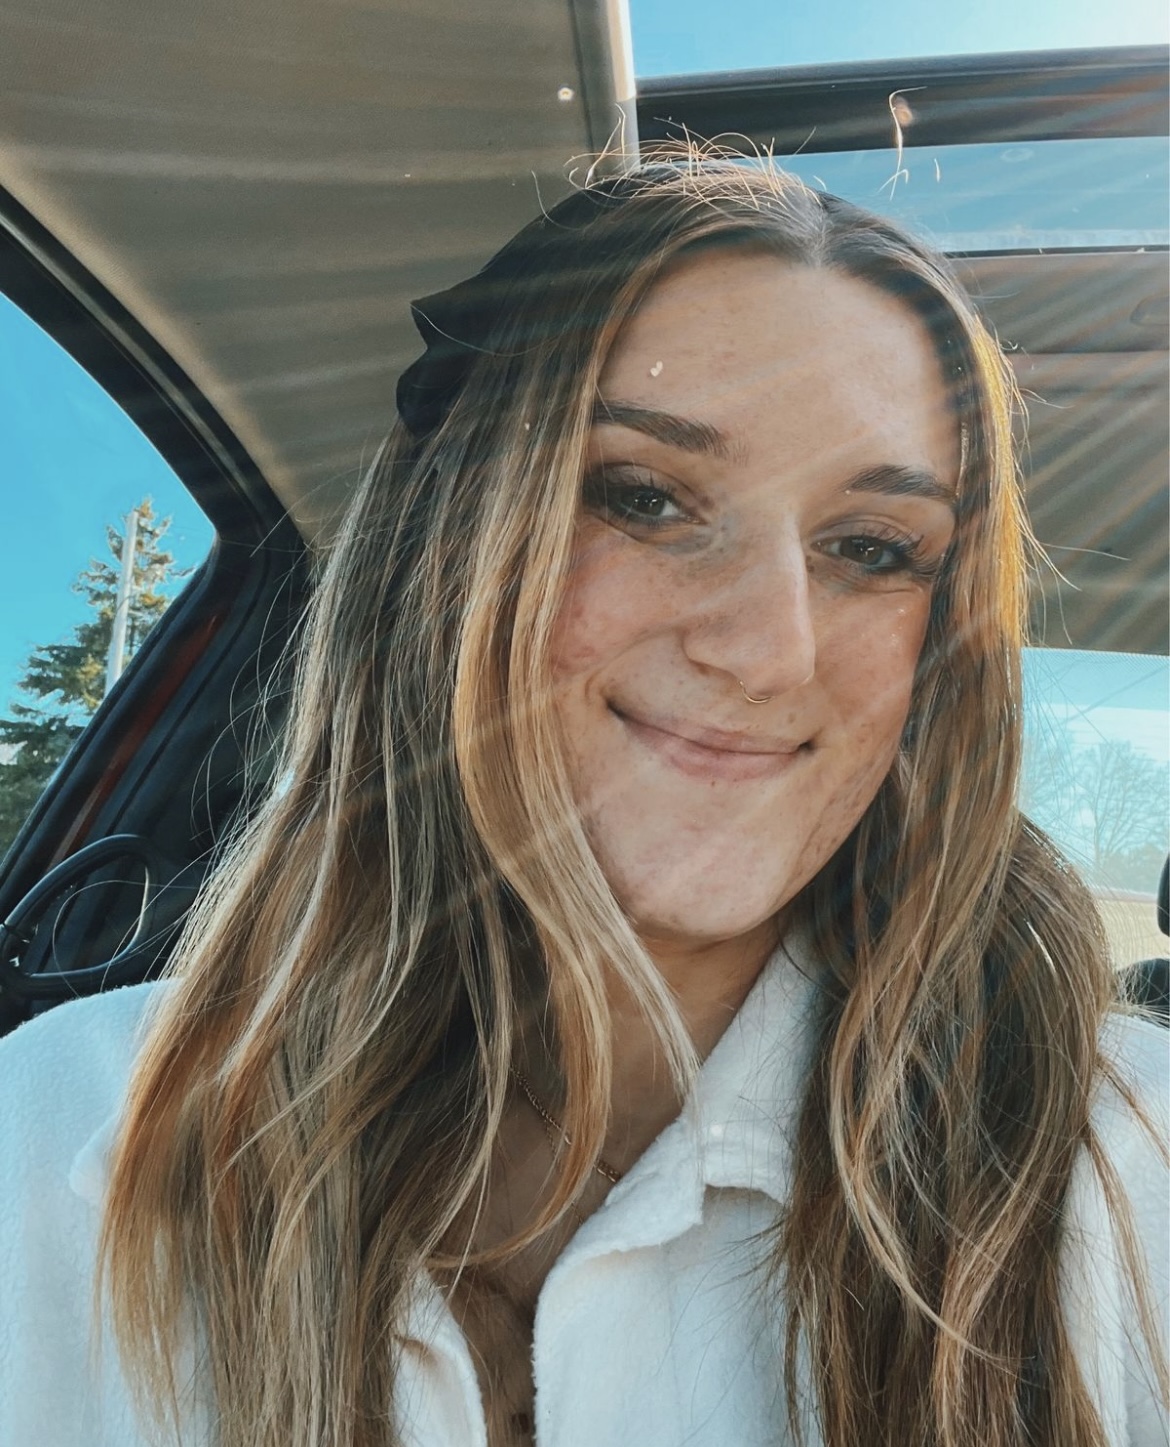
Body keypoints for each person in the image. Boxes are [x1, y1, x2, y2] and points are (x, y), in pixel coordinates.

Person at [0, 155, 1165, 1447]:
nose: (770, 649)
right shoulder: (54, 1134)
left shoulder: (1132, 1166)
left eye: (871, 549)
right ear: (446, 548)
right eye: (644, 498)